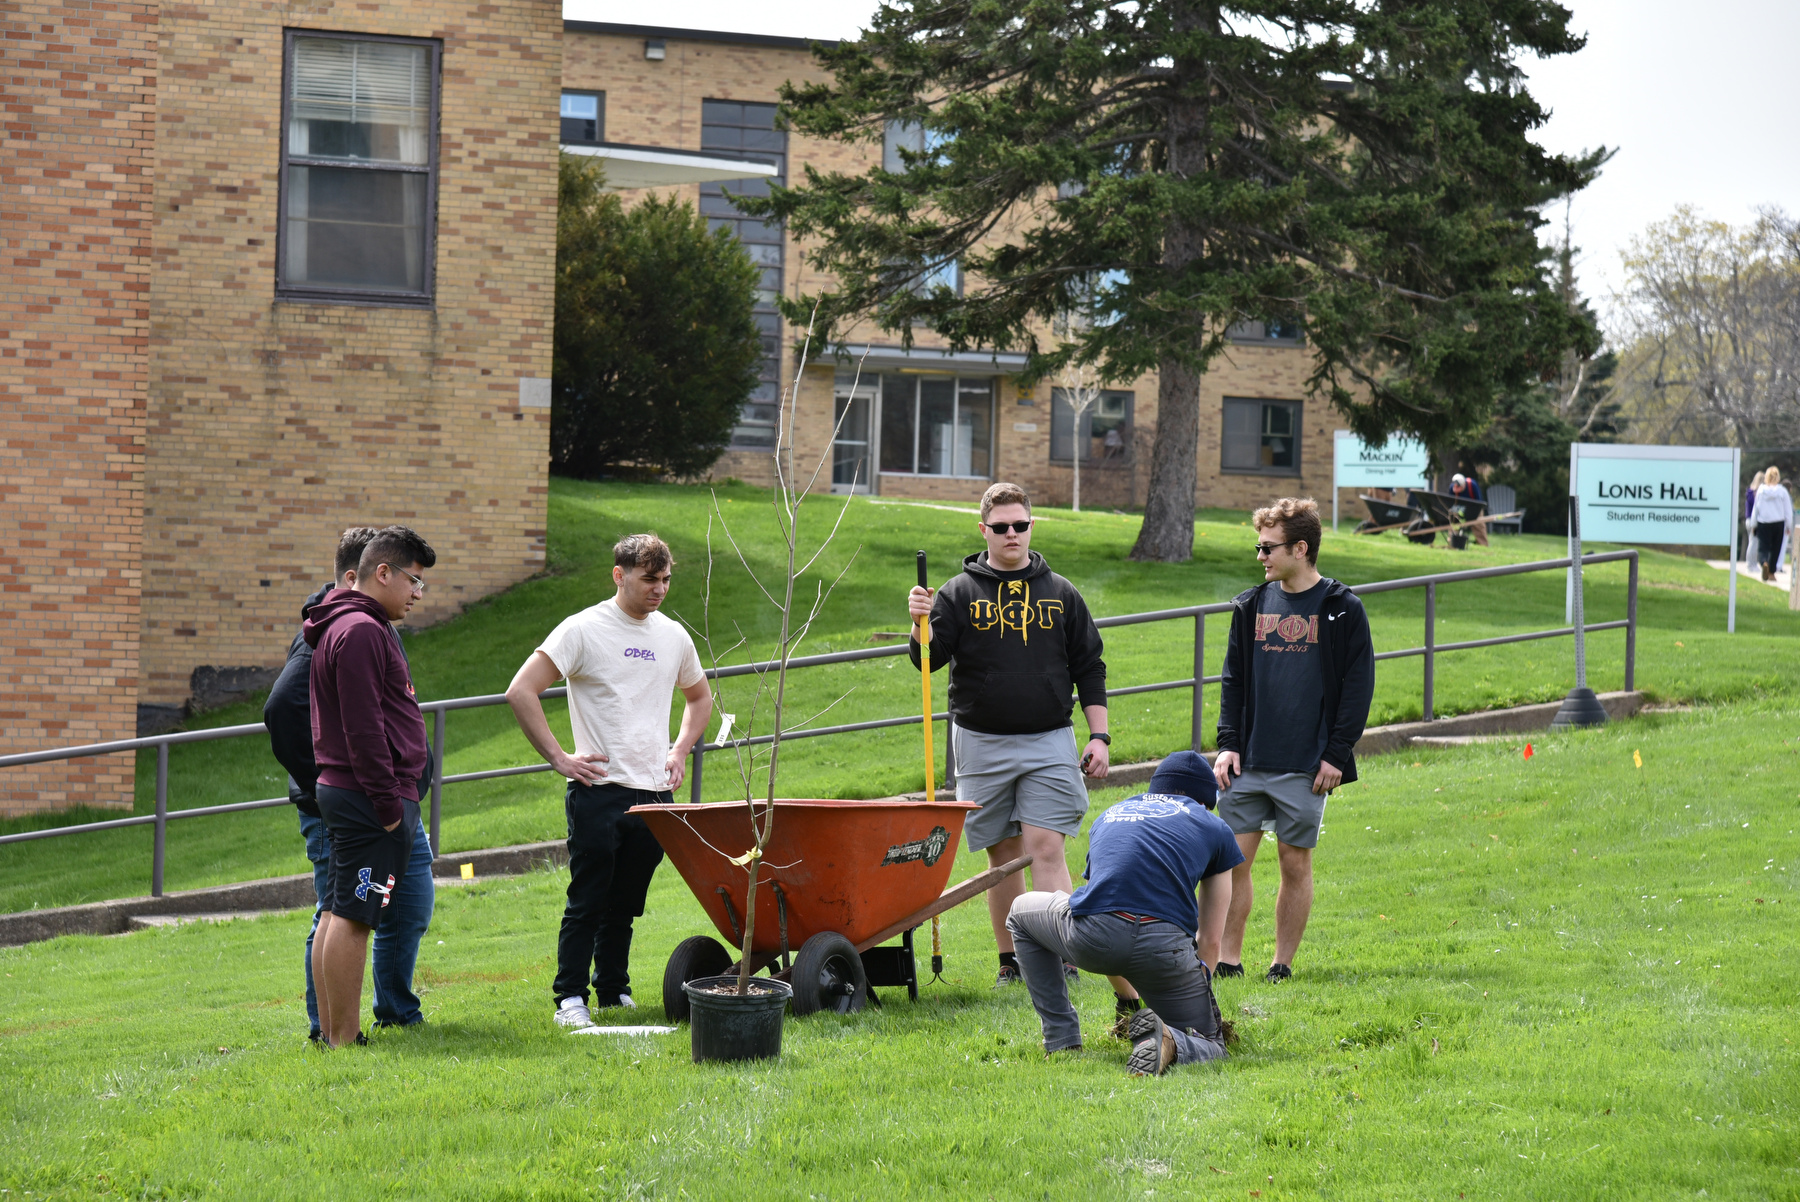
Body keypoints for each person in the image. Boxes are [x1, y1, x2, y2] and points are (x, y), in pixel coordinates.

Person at [506, 533, 712, 1031]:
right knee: (588, 899)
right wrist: (559, 757)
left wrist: (680, 750)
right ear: (619, 576)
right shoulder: (582, 629)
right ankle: (569, 999)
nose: (659, 589)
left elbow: (699, 698)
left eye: (666, 579)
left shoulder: (673, 636)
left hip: (654, 794)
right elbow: (521, 690)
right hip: (598, 789)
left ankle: (613, 988)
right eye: (649, 580)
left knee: (625, 904)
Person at [908, 481, 1110, 988]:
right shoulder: (957, 592)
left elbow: (1090, 666)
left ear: (1031, 526)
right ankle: (1012, 961)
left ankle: (1064, 956)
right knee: (1002, 853)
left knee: (1045, 846)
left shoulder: (1061, 593)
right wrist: (919, 624)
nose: (1012, 534)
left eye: (1020, 525)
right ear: (984, 531)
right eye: (1001, 528)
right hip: (980, 740)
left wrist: (1099, 736)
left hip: (1049, 738)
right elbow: (926, 663)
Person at [265, 528, 437, 1040]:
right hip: (367, 799)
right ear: (381, 572)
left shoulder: (343, 624)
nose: (417, 593)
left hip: (352, 794)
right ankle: (341, 1036)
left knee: (341, 911)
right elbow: (364, 728)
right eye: (413, 580)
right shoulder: (360, 629)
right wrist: (387, 805)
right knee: (354, 918)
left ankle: (334, 1034)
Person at [1214, 497, 1374, 984]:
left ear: (1300, 548)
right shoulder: (1251, 605)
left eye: (1268, 547)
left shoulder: (1342, 609)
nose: (1259, 556)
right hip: (1249, 760)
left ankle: (1281, 965)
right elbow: (1233, 679)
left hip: (1307, 766)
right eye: (1258, 546)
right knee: (1232, 862)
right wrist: (1228, 743)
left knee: (1293, 863)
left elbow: (1357, 689)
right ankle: (1227, 960)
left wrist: (1335, 754)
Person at [1006, 752, 1240, 1076]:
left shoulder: (1111, 814)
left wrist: (1128, 1002)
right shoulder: (1213, 826)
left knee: (1020, 911)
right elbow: (1211, 940)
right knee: (1212, 1045)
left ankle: (1062, 1040)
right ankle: (1172, 1039)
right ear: (1202, 802)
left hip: (1093, 940)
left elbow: (1101, 903)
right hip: (1165, 951)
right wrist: (1194, 996)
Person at [1750, 466, 1794, 583]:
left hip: (1763, 522)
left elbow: (1756, 508)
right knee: (1775, 549)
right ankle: (1771, 573)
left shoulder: (1761, 490)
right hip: (1778, 523)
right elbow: (1788, 510)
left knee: (1763, 548)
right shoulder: (1782, 492)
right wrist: (1789, 525)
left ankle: (1764, 562)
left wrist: (1753, 524)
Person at [1449, 471, 1488, 547]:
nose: (1456, 487)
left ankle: (1483, 544)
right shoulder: (1452, 488)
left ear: (1463, 485)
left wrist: (1473, 513)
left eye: (1458, 486)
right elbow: (1451, 503)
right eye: (1455, 485)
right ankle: (1452, 542)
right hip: (1459, 508)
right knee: (1453, 522)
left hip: (1474, 507)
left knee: (1479, 524)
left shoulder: (1472, 485)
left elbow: (1479, 502)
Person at [1744, 469, 1767, 573]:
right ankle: (1751, 565)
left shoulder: (1749, 492)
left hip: (1748, 520)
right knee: (1754, 543)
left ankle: (1751, 563)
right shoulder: (1755, 494)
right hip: (1753, 520)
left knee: (1752, 542)